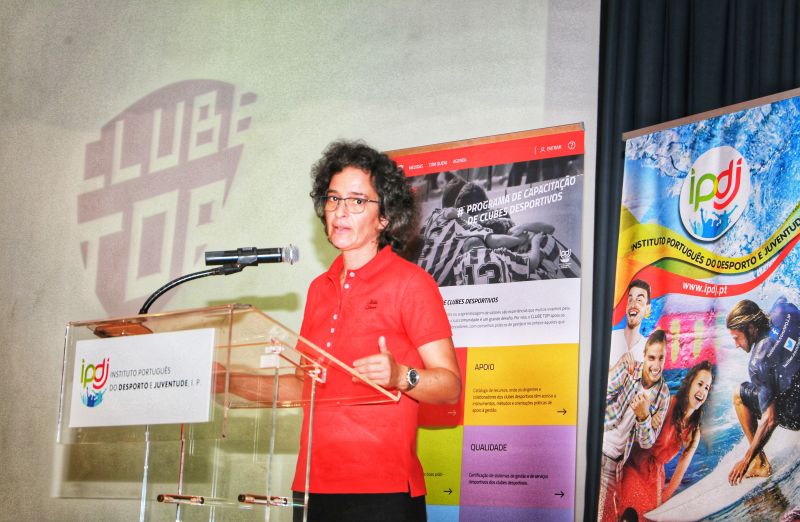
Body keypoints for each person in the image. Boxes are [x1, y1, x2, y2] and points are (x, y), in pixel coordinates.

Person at [291, 141, 462, 521]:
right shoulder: (319, 289)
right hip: (312, 485)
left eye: (357, 201)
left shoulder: (411, 283)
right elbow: (304, 387)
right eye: (333, 198)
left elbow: (450, 386)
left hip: (382, 490)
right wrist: (226, 377)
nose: (340, 211)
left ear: (384, 217)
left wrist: (401, 375)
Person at [618, 360, 713, 517]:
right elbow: (636, 418)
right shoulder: (668, 402)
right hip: (633, 464)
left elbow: (678, 474)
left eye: (707, 388)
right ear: (690, 383)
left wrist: (663, 500)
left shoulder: (693, 432)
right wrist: (649, 418)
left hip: (654, 477)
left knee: (651, 514)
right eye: (700, 384)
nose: (702, 391)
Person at [726, 298, 800, 486]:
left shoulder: (757, 363)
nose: (736, 344)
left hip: (796, 416)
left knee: (738, 394)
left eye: (736, 338)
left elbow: (770, 419)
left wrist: (746, 460)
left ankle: (760, 463)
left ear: (751, 328)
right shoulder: (784, 309)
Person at [600, 329, 671, 522]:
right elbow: (599, 398)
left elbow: (647, 443)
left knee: (606, 516)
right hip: (598, 447)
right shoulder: (629, 369)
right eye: (652, 358)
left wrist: (644, 416)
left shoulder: (663, 394)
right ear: (644, 356)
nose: (656, 365)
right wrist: (617, 368)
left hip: (615, 463)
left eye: (661, 358)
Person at [609, 279, 651, 369]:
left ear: (647, 309)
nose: (633, 304)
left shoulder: (649, 350)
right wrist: (619, 364)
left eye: (639, 300)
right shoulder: (611, 338)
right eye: (630, 299)